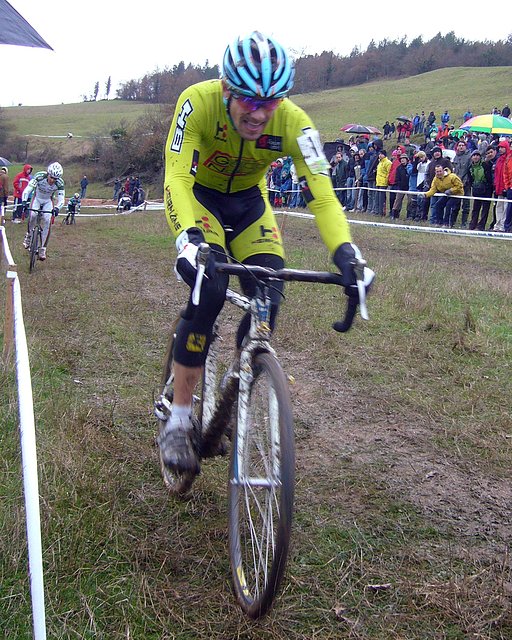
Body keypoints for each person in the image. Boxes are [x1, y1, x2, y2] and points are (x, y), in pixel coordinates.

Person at [158, 31, 374, 476]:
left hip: (251, 206)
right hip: (201, 202)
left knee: (269, 298)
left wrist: (346, 253)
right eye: (248, 101)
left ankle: (237, 385)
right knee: (210, 290)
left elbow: (322, 195)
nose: (258, 114)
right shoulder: (196, 102)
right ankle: (179, 417)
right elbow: (177, 176)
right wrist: (189, 239)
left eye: (270, 102)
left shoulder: (294, 122)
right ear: (226, 90)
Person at [22, 162, 65, 260]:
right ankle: (29, 236)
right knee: (32, 215)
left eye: (55, 179)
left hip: (47, 201)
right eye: (51, 177)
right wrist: (24, 201)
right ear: (48, 174)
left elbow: (61, 199)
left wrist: (57, 208)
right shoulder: (39, 176)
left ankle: (43, 249)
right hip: (37, 198)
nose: (52, 180)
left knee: (47, 220)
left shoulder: (60, 183)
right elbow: (28, 189)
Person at [422, 164, 464, 228]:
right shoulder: (435, 179)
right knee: (438, 205)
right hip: (447, 194)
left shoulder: (452, 176)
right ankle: (439, 222)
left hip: (457, 194)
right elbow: (433, 190)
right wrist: (425, 195)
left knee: (448, 206)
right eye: (437, 172)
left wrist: (451, 190)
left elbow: (460, 186)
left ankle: (447, 224)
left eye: (440, 171)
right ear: (435, 172)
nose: (439, 173)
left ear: (443, 170)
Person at [468, 151, 493, 231]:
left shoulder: (485, 165)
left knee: (485, 209)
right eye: (474, 155)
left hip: (486, 190)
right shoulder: (470, 167)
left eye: (477, 155)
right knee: (475, 208)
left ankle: (481, 226)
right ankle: (473, 225)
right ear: (471, 157)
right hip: (476, 190)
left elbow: (489, 177)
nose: (475, 157)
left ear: (480, 157)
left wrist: (489, 187)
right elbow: (470, 179)